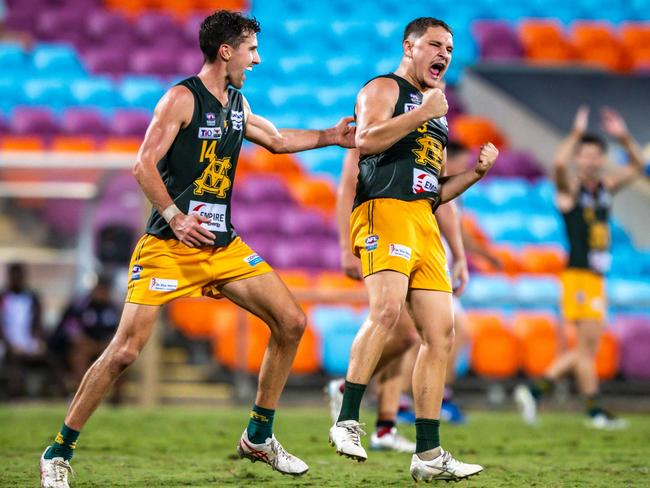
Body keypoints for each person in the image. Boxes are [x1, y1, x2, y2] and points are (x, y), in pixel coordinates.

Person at [40, 11, 355, 487]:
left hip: (220, 245)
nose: (257, 58)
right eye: (251, 49)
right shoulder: (181, 98)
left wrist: (331, 137)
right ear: (226, 51)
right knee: (125, 351)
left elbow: (275, 139)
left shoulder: (236, 102)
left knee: (291, 322)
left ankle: (258, 434)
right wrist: (175, 217)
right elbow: (143, 165)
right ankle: (57, 452)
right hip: (169, 245)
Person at [327, 17, 498, 483]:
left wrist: (475, 175)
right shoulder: (384, 89)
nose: (444, 54)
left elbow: (436, 191)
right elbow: (365, 140)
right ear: (410, 46)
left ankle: (428, 453)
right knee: (385, 313)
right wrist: (423, 111)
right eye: (435, 45)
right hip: (385, 211)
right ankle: (346, 421)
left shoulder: (437, 112)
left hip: (422, 221)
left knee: (439, 335)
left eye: (450, 47)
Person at [328, 137, 470, 452]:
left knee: (410, 335)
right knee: (397, 326)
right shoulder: (380, 119)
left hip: (419, 236)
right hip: (386, 229)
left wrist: (459, 254)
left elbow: (440, 201)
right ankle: (353, 395)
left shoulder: (433, 131)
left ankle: (384, 424)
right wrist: (344, 248)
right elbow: (348, 188)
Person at [515, 106, 644, 430]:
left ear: (602, 159)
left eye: (596, 155)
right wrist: (574, 134)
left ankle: (579, 406)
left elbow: (639, 166)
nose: (590, 160)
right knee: (586, 349)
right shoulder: (570, 192)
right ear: (578, 158)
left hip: (595, 276)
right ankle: (551, 396)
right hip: (579, 277)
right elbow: (558, 164)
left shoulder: (603, 189)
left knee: (588, 349)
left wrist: (624, 138)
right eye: (584, 155)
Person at [0, 262, 45, 397]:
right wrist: (10, 345)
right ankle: (14, 392)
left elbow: (37, 322)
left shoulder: (32, 297)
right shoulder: (3, 297)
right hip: (5, 340)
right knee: (10, 357)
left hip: (27, 339)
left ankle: (51, 394)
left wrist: (38, 340)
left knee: (47, 355)